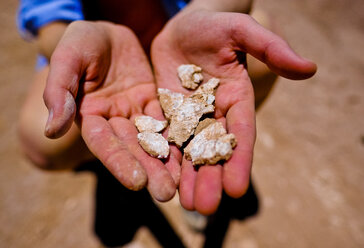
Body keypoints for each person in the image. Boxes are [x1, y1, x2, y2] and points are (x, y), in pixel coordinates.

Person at [18, 0, 317, 219]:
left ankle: (199, 166)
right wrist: (77, 39)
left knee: (261, 44)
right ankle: (112, 164)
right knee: (41, 138)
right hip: (105, 65)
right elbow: (49, 23)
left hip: (183, 34)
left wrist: (205, 12)